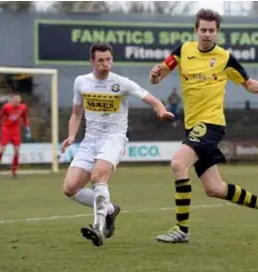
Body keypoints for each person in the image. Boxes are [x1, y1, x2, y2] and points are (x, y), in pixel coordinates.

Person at [149, 8, 258, 243]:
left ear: (217, 33)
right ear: (196, 30)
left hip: (211, 124)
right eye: (203, 30)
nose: (207, 34)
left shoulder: (225, 58)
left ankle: (182, 230)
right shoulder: (183, 51)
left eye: (212, 31)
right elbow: (159, 75)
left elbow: (247, 83)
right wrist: (155, 75)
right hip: (193, 127)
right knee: (215, 188)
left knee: (178, 163)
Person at [61, 43, 174, 247]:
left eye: (108, 60)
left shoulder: (121, 83)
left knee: (98, 177)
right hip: (90, 140)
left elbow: (152, 99)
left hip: (114, 138)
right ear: (92, 62)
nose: (106, 64)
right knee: (70, 188)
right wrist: (70, 136)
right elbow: (77, 113)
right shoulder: (81, 82)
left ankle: (98, 226)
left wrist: (161, 110)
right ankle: (111, 210)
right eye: (101, 60)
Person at [0, 92, 31, 178]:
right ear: (12, 100)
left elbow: (25, 118)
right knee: (2, 150)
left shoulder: (23, 107)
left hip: (15, 132)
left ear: (20, 100)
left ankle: (13, 172)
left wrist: (28, 129)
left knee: (17, 151)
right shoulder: (6, 107)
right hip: (6, 130)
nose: (17, 101)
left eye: (18, 99)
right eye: (15, 99)